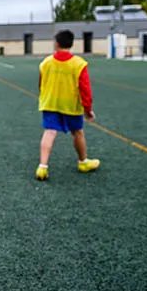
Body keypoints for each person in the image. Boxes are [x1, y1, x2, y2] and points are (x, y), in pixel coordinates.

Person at [35, 30, 100, 181]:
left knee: (49, 132)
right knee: (77, 132)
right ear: (71, 44)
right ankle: (83, 162)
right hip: (71, 105)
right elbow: (85, 89)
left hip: (50, 103)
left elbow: (41, 83)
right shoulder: (79, 64)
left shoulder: (46, 62)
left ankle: (42, 167)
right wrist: (88, 108)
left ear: (56, 44)